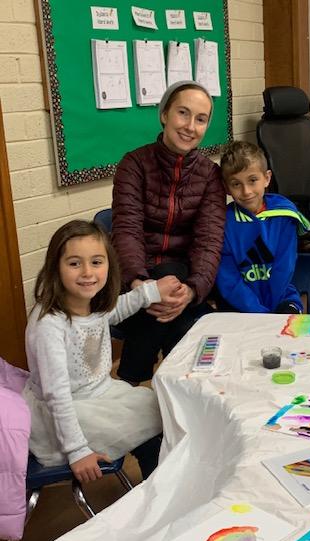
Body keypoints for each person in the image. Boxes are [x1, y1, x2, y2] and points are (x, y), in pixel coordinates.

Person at [24, 220, 182, 483]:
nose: (88, 272)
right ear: (55, 267)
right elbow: (57, 396)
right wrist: (77, 451)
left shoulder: (91, 301)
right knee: (153, 424)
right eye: (74, 263)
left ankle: (161, 485)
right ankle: (159, 491)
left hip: (102, 394)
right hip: (68, 415)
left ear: (109, 264)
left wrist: (151, 291)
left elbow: (115, 311)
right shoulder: (48, 325)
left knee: (165, 409)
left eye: (96, 262)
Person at [111, 81, 226, 384]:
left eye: (200, 119)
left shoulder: (210, 175)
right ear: (164, 114)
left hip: (183, 278)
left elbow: (209, 241)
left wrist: (192, 290)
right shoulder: (134, 165)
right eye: (182, 113)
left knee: (172, 290)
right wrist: (141, 287)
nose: (190, 126)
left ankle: (131, 381)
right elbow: (126, 230)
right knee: (182, 326)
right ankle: (182, 391)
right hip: (136, 276)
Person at [215, 141, 310, 313]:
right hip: (240, 305)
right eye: (236, 184)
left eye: (253, 180)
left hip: (281, 298)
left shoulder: (284, 216)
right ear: (226, 187)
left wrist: (269, 316)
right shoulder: (223, 222)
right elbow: (228, 280)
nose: (246, 191)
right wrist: (259, 313)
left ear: (267, 178)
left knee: (289, 323)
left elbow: (284, 268)